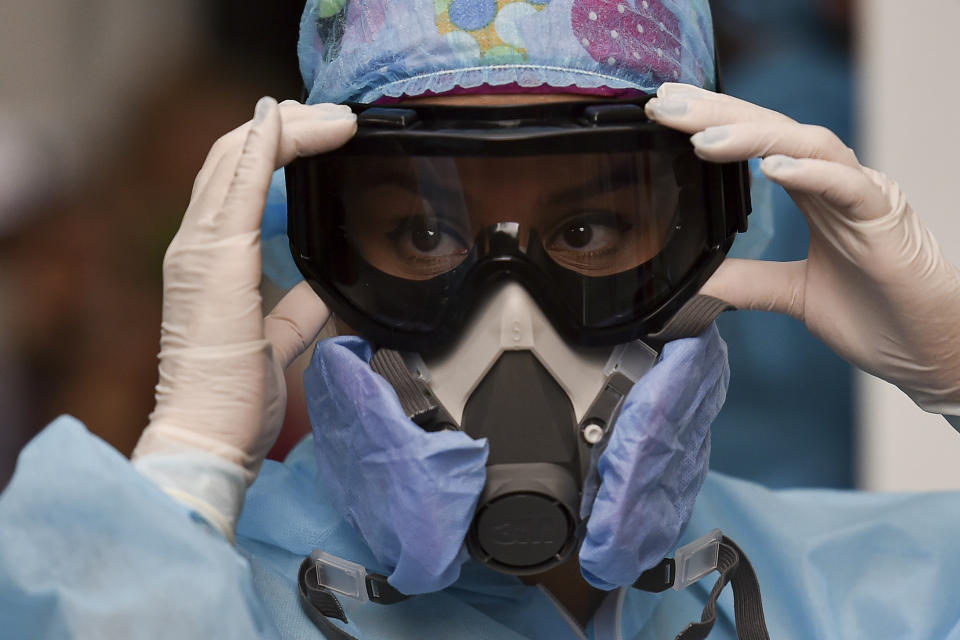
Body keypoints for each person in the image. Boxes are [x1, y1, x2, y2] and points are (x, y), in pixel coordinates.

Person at [3, 1, 960, 638]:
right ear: (319, 257)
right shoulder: (194, 594)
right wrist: (188, 465)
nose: (513, 325)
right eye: (423, 234)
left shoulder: (856, 592)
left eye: (588, 228)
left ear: (704, 247)